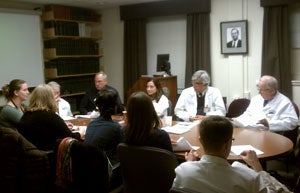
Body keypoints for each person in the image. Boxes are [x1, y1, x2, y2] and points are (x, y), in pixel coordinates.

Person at [172, 115, 292, 193]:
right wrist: (258, 167)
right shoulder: (249, 178)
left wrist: (189, 163)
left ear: (200, 140)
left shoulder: (182, 171)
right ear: (228, 143)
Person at [17, 84, 85, 151]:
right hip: (49, 155)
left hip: (30, 155)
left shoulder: (26, 114)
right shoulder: (50, 116)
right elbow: (70, 138)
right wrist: (80, 133)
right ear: (50, 99)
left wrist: (63, 126)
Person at [233, 75, 298, 132]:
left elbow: (292, 122)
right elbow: (247, 114)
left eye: (261, 90)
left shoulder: (284, 102)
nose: (259, 92)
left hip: (271, 135)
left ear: (272, 91)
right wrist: (237, 120)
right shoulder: (256, 99)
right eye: (258, 89)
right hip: (251, 130)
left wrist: (269, 123)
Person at [85, 88, 122, 166]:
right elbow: (122, 150)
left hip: (89, 167)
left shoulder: (91, 124)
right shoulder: (115, 127)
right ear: (115, 106)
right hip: (107, 170)